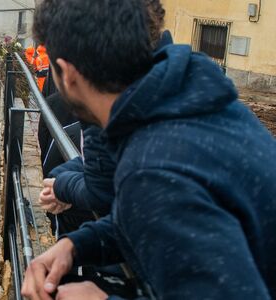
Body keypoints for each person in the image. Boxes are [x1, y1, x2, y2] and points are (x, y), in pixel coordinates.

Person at [22, 0, 276, 299]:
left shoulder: (152, 170)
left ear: (66, 73)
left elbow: (164, 200)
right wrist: (78, 245)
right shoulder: (191, 101)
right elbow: (173, 225)